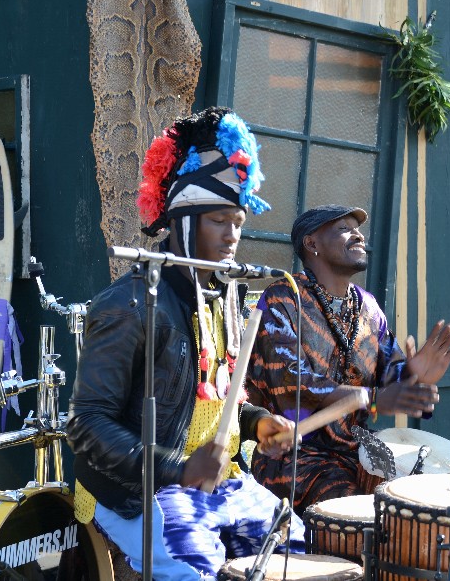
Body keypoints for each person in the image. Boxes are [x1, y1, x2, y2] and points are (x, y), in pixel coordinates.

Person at [67, 107, 306, 581]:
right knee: (194, 570)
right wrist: (177, 468)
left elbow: (215, 401)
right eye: (219, 221)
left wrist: (258, 424)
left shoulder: (225, 296)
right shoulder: (130, 305)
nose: (233, 235)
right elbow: (87, 425)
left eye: (238, 222)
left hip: (221, 482)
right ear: (182, 224)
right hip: (138, 489)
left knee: (294, 549)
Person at [247, 204, 450, 513]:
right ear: (312, 244)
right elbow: (293, 383)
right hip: (296, 457)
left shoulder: (369, 308)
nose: (358, 234)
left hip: (357, 453)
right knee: (359, 517)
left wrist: (414, 375)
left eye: (357, 228)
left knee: (420, 502)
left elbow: (390, 377)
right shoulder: (284, 297)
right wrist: (372, 398)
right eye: (344, 228)